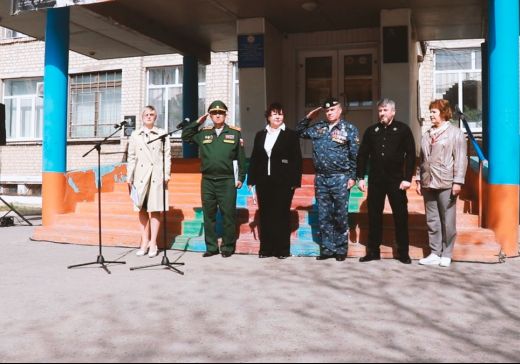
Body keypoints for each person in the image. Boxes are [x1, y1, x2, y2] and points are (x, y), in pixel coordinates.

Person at [296, 97, 359, 261]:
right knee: (324, 215)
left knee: (340, 215)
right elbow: (298, 132)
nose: (330, 112)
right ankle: (327, 249)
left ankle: (340, 250)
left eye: (333, 109)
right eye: (327, 110)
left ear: (340, 111)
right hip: (322, 178)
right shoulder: (318, 128)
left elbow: (354, 155)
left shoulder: (349, 129)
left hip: (340, 177)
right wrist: (309, 117)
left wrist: (353, 177)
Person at [181, 100, 246, 258]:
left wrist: (240, 178)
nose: (218, 115)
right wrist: (198, 122)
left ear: (225, 115)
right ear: (210, 115)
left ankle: (227, 247)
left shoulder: (234, 133)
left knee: (228, 215)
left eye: (221, 113)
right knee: (208, 215)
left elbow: (241, 158)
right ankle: (211, 247)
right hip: (208, 180)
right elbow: (186, 135)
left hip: (227, 180)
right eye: (214, 113)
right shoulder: (204, 133)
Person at [356, 98, 416, 264]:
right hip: (376, 180)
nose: (382, 113)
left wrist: (407, 178)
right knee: (374, 216)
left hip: (397, 180)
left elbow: (411, 155)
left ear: (393, 112)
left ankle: (403, 252)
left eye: (385, 110)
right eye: (380, 110)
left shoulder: (403, 130)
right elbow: (362, 155)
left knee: (400, 216)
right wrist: (360, 177)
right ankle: (373, 251)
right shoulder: (371, 131)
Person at [247, 103, 303, 259]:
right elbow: (255, 158)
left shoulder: (291, 135)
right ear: (268, 117)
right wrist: (251, 179)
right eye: (274, 114)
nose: (278, 117)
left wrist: (294, 182)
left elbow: (296, 160)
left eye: (281, 114)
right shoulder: (260, 134)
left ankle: (282, 250)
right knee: (265, 215)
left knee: (281, 215)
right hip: (263, 181)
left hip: (283, 182)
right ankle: (266, 249)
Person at [417, 99, 467, 267]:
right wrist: (419, 179)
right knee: (432, 220)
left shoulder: (455, 133)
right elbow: (422, 159)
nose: (430, 115)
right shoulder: (427, 134)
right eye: (430, 112)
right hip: (428, 181)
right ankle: (434, 253)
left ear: (444, 113)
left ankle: (447, 253)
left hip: (446, 181)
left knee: (448, 219)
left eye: (434, 112)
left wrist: (458, 182)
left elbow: (461, 159)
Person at [127, 105, 171, 258]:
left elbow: (167, 156)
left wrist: (166, 175)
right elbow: (131, 157)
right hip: (140, 177)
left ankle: (153, 243)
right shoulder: (135, 135)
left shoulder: (162, 133)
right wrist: (129, 177)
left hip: (156, 176)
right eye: (146, 114)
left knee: (155, 209)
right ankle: (144, 242)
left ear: (156, 117)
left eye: (152, 114)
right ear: (142, 116)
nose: (149, 116)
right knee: (141, 209)